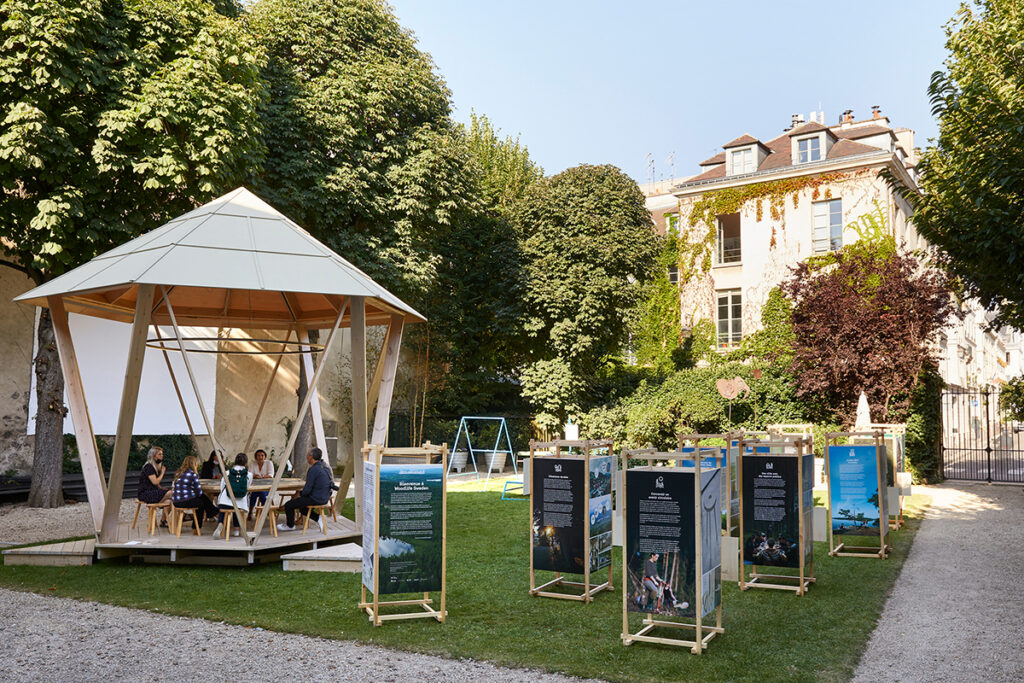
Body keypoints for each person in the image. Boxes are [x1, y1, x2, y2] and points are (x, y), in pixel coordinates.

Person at [277, 448, 335, 532]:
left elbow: (307, 489)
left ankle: (290, 525)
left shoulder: (313, 469)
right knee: (301, 507)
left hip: (316, 498)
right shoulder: (325, 466)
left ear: (311, 457)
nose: (306, 457)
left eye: (307, 455)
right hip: (325, 497)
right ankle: (318, 517)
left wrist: (299, 495)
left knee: (288, 505)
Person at [171, 455, 218, 530]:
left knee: (202, 499)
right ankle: (196, 527)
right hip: (185, 501)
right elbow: (198, 492)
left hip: (176, 501)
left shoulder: (178, 473)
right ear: (193, 464)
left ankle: (212, 512)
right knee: (201, 502)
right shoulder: (193, 474)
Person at [214, 453, 252, 538]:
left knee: (224, 508)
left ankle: (220, 523)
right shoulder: (249, 474)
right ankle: (236, 529)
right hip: (240, 503)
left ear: (234, 462)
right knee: (236, 507)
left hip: (225, 501)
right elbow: (247, 487)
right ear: (245, 463)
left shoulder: (227, 473)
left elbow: (222, 487)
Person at [137, 446, 172, 527]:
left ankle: (163, 521)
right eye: (159, 454)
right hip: (145, 493)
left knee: (170, 501)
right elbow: (155, 481)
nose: (161, 456)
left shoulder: (156, 467)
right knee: (172, 493)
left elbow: (155, 483)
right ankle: (182, 514)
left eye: (162, 454)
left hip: (153, 491)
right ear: (153, 456)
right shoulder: (149, 467)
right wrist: (163, 472)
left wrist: (161, 488)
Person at [247, 448, 274, 521]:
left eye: (262, 455)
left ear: (265, 456)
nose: (260, 457)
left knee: (261, 492)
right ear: (256, 457)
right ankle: (252, 512)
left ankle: (263, 510)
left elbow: (271, 475)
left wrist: (261, 477)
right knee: (254, 493)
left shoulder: (269, 463)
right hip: (255, 486)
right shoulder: (253, 463)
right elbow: (249, 474)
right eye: (258, 455)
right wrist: (255, 476)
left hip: (267, 486)